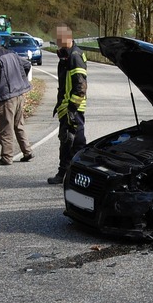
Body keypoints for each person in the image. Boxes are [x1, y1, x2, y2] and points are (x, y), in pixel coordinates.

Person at [0, 34, 33, 166]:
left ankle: (7, 156)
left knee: (5, 127)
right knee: (19, 125)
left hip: (6, 97)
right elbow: (27, 64)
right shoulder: (12, 53)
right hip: (20, 94)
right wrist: (22, 79)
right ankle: (27, 151)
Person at [48, 25, 88, 185]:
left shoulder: (75, 57)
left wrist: (72, 109)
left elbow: (80, 87)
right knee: (69, 142)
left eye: (59, 38)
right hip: (66, 107)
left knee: (73, 143)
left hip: (73, 109)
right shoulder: (66, 56)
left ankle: (69, 175)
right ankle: (69, 174)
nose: (57, 42)